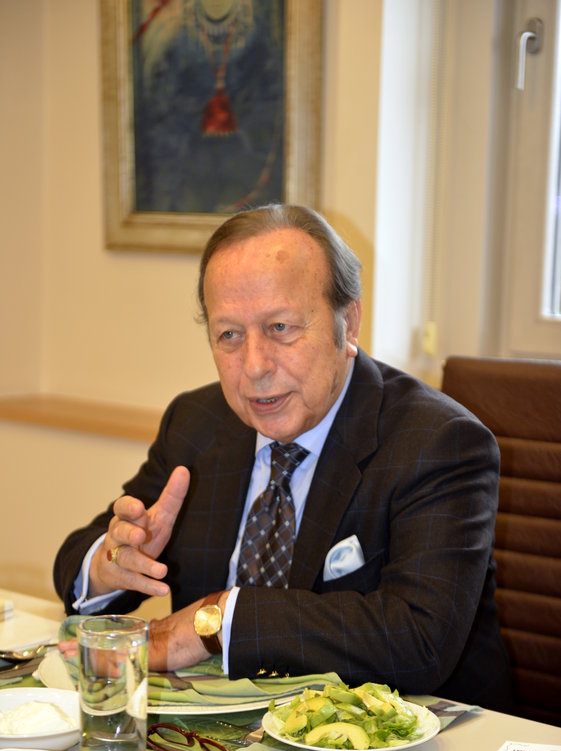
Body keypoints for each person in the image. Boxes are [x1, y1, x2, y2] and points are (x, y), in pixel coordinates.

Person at [53, 204, 513, 711]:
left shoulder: (438, 442)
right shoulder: (197, 423)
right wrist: (111, 564)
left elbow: (418, 641)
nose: (254, 367)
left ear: (348, 323)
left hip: (410, 738)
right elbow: (78, 563)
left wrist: (218, 621)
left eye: (280, 327)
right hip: (217, 730)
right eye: (229, 335)